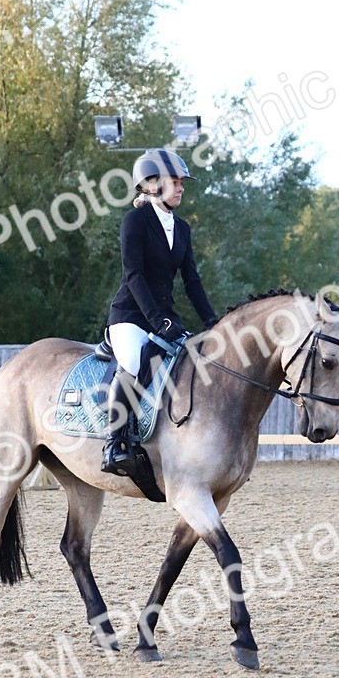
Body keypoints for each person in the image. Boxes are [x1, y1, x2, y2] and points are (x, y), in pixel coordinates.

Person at [101, 147, 218, 475]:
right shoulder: (134, 222)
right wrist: (158, 320)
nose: (181, 188)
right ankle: (115, 443)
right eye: (175, 182)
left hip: (165, 320)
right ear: (152, 185)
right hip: (130, 316)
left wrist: (214, 322)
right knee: (133, 362)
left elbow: (192, 281)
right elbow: (134, 276)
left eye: (182, 183)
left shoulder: (182, 228)